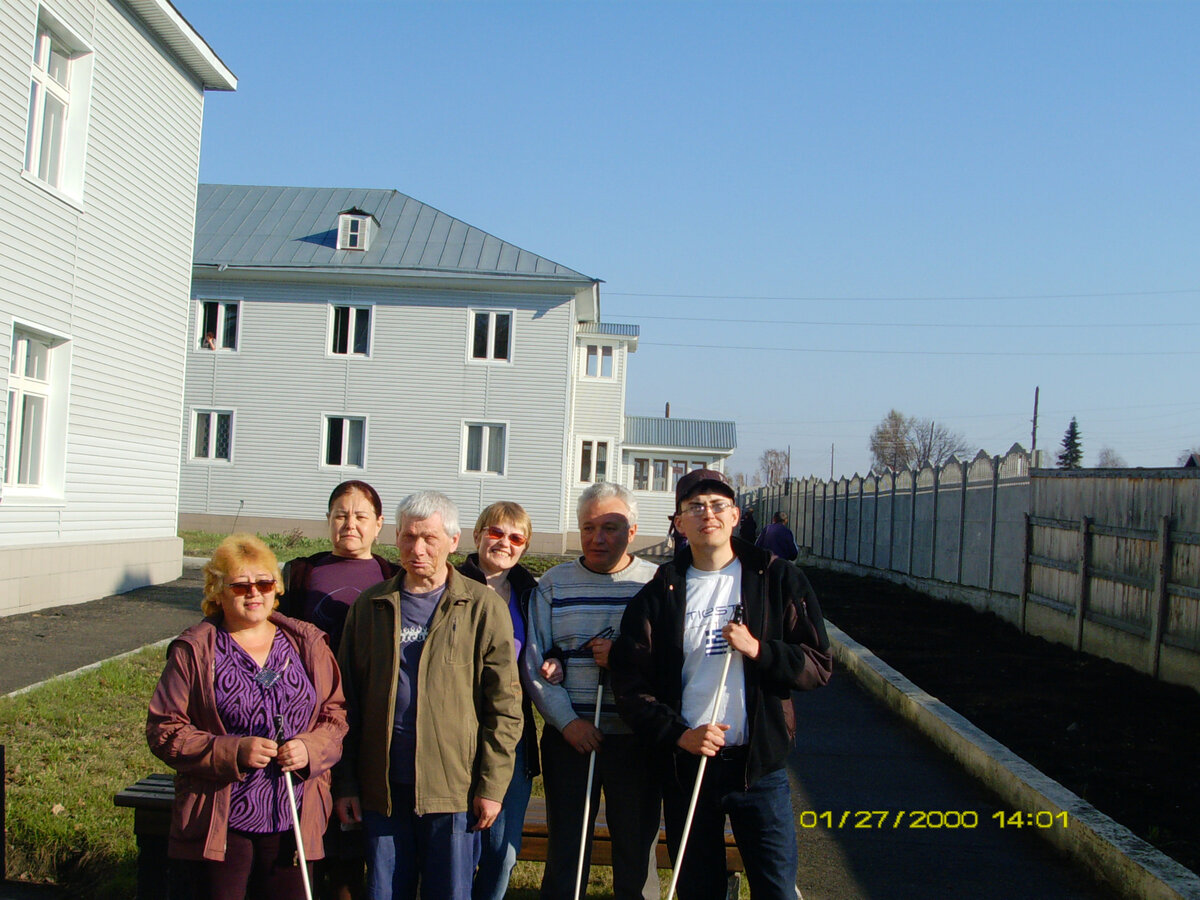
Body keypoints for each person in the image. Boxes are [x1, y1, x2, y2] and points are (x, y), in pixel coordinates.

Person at [611, 470, 832, 900]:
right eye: (694, 507)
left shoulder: (776, 578)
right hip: (689, 768)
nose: (706, 514)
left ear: (736, 516)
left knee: (776, 890)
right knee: (698, 889)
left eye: (717, 505)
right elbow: (631, 688)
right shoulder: (658, 595)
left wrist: (759, 650)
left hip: (759, 770)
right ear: (678, 524)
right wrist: (680, 736)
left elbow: (818, 666)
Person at [334, 491, 522, 900]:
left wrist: (491, 787)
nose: (418, 549)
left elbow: (505, 709)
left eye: (430, 538)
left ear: (453, 541)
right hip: (382, 788)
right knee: (384, 892)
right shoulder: (370, 606)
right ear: (396, 537)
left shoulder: (482, 608)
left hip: (452, 788)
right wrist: (346, 782)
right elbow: (343, 703)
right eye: (408, 537)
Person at [147, 533, 348, 900]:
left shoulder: (307, 643)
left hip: (292, 817)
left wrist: (310, 748)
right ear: (218, 591)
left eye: (264, 582)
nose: (254, 593)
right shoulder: (195, 650)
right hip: (220, 821)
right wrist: (232, 751)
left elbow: (335, 716)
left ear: (277, 588)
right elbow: (165, 730)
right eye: (240, 585)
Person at [523, 482, 661, 900]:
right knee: (568, 846)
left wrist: (624, 658)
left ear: (633, 531)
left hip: (637, 739)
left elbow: (673, 663)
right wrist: (567, 723)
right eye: (588, 527)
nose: (598, 538)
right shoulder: (554, 583)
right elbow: (534, 662)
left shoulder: (656, 584)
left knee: (636, 850)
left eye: (611, 527)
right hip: (573, 740)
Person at [280, 480, 399, 900]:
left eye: (360, 516)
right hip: (313, 718)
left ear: (379, 524)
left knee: (361, 826)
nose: (350, 524)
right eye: (341, 515)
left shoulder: (392, 576)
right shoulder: (301, 573)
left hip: (371, 717)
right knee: (317, 823)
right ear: (329, 520)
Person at [456, 502, 540, 900]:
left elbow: (543, 646)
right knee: (456, 847)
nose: (504, 543)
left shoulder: (530, 593)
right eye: (495, 532)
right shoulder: (449, 585)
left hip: (511, 733)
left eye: (516, 537)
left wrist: (552, 661)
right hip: (457, 730)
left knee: (502, 851)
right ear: (477, 535)